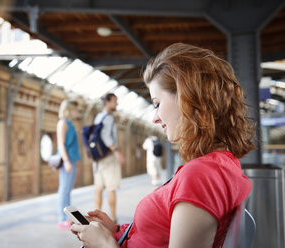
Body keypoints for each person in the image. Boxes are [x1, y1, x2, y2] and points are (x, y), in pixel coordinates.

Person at [71, 43, 255, 248]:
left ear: (189, 98)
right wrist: (117, 232)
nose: (154, 118)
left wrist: (104, 244)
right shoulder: (220, 165)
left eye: (157, 103)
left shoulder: (201, 175)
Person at [92, 93, 125, 224]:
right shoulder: (109, 117)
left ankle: (96, 216)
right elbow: (106, 137)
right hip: (109, 157)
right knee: (111, 187)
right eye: (115, 101)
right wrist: (116, 152)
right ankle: (113, 218)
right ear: (107, 102)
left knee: (98, 188)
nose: (117, 104)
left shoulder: (98, 117)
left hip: (97, 158)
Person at [56, 100, 81, 229]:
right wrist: (66, 161)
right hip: (67, 159)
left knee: (67, 190)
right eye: (76, 109)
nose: (78, 112)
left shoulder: (70, 123)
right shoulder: (63, 123)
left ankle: (67, 217)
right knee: (64, 189)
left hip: (72, 159)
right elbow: (61, 144)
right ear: (70, 110)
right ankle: (62, 218)